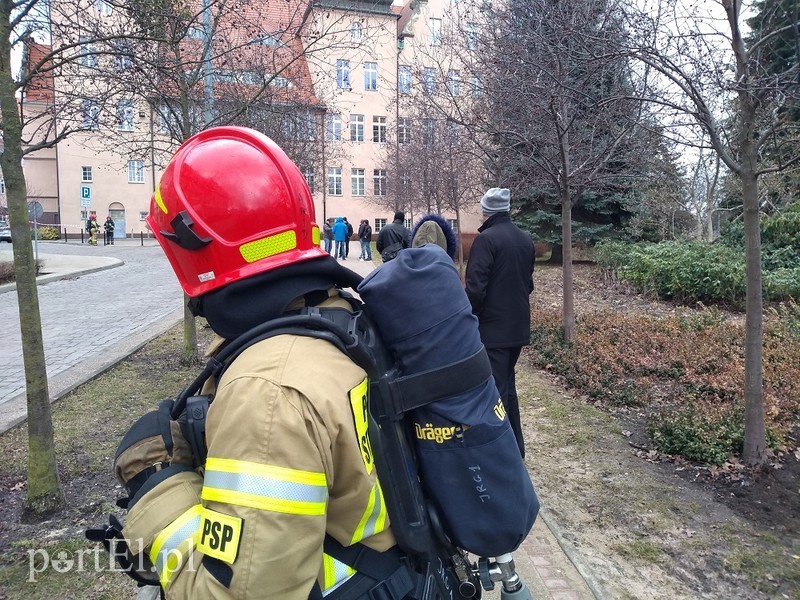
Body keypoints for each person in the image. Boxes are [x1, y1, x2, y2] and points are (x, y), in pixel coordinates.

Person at [119, 127, 403, 598]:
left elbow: (233, 593)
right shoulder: (341, 316)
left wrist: (156, 486)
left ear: (191, 249)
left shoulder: (267, 393)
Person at [464, 188, 535, 458]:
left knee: (495, 392)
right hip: (517, 328)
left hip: (493, 330)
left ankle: (501, 454)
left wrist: (469, 318)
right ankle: (516, 449)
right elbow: (528, 285)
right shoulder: (525, 239)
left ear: (486, 210)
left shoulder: (486, 240)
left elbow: (475, 289)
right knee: (508, 387)